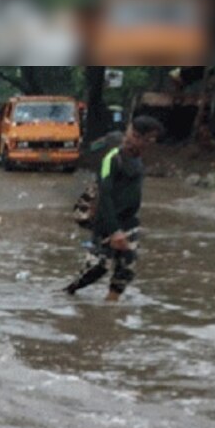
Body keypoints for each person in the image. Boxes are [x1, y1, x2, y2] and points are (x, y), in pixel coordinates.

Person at [64, 116, 164, 303]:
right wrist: (114, 231)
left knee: (126, 270)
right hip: (107, 221)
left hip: (129, 221)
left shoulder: (137, 160)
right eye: (149, 139)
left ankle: (110, 309)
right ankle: (67, 293)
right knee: (98, 267)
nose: (152, 144)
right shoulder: (112, 159)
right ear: (136, 136)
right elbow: (105, 196)